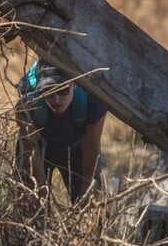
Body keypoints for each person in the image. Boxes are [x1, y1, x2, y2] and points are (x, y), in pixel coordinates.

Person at [15, 59, 107, 204]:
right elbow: (31, 150)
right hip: (40, 145)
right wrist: (40, 189)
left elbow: (92, 146)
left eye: (63, 90)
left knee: (90, 204)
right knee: (31, 204)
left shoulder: (93, 102)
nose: (57, 100)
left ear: (74, 84)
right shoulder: (27, 106)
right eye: (49, 92)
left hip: (78, 148)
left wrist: (86, 189)